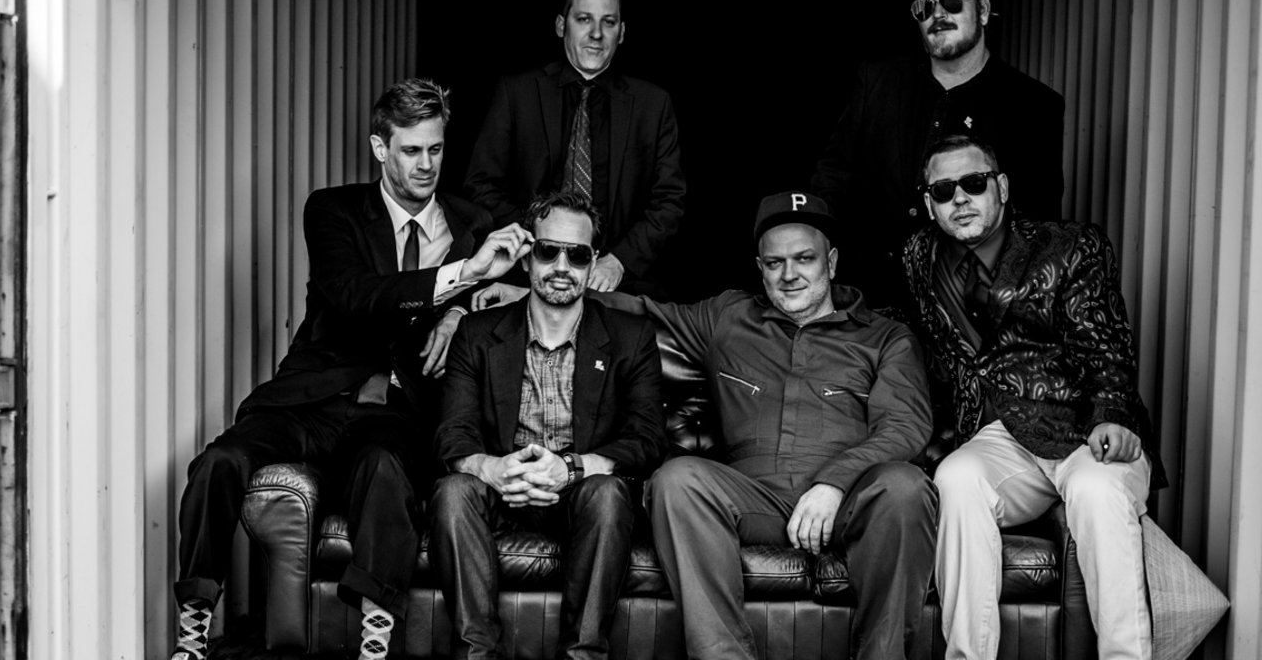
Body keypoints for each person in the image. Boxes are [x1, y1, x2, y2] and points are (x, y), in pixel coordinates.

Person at [169, 79, 534, 660]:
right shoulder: (332, 209)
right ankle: (193, 626)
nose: (426, 165)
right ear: (380, 148)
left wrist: (460, 314)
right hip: (313, 397)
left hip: (396, 406)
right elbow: (354, 295)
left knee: (385, 471)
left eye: (436, 149)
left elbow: (507, 310)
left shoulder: (474, 222)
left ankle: (375, 639)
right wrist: (462, 278)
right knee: (219, 462)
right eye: (411, 150)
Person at [593, 191, 937, 659]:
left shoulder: (885, 337)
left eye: (804, 259)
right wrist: (539, 295)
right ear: (760, 267)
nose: (789, 274)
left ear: (832, 262)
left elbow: (905, 427)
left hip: (850, 505)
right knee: (676, 479)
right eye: (775, 263)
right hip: (754, 500)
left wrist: (834, 483)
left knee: (906, 487)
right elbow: (637, 310)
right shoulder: (728, 317)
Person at [902, 134, 1164, 660]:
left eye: (973, 183)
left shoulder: (1069, 245)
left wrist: (1113, 413)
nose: (960, 198)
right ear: (929, 204)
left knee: (1095, 490)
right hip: (1000, 436)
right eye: (944, 190)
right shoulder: (919, 256)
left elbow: (1106, 342)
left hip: (1082, 428)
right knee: (956, 477)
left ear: (1001, 187)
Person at [430, 190, 667, 659]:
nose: (562, 265)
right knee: (453, 491)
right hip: (502, 489)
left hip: (581, 495)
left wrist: (573, 468)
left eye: (577, 255)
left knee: (608, 494)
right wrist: (492, 469)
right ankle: (476, 654)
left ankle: (583, 655)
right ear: (526, 258)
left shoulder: (630, 337)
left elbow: (647, 439)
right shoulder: (476, 334)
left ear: (592, 261)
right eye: (547, 250)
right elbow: (451, 434)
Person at [811, 0, 1065, 311]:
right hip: (868, 301)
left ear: (982, 9)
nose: (938, 14)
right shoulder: (878, 81)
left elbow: (1037, 221)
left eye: (952, 2)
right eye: (925, 7)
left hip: (965, 310)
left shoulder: (1033, 105)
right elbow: (833, 177)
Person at [464, 0, 686, 296]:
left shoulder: (652, 105)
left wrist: (620, 261)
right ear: (560, 25)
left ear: (622, 33)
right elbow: (481, 184)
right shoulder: (517, 94)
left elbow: (669, 201)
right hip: (527, 277)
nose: (596, 33)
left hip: (618, 283)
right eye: (584, 19)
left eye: (608, 22)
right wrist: (538, 246)